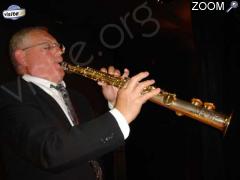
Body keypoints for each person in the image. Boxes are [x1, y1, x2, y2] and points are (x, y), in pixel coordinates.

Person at [0, 26, 160, 180]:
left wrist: (115, 102)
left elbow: (93, 148)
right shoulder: (10, 96)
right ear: (21, 56)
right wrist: (120, 114)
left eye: (59, 46)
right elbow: (51, 152)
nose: (60, 51)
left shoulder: (78, 98)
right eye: (48, 46)